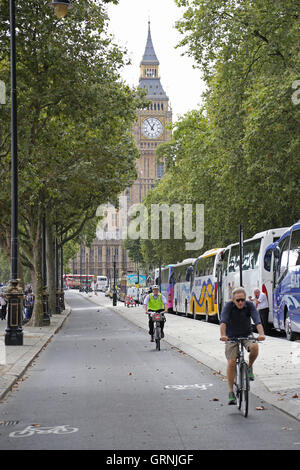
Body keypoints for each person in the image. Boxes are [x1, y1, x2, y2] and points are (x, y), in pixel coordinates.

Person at [220, 287, 265, 405]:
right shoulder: (228, 306)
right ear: (233, 300)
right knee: (232, 362)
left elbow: (257, 320)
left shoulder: (249, 306)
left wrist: (261, 334)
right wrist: (223, 335)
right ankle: (231, 392)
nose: (240, 302)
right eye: (238, 300)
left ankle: (249, 367)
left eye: (242, 300)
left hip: (247, 335)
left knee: (255, 347)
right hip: (231, 337)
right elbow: (223, 322)